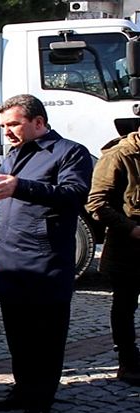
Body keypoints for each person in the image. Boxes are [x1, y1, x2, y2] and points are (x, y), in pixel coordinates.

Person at [0, 94, 92, 413]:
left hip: (45, 263)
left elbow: (74, 195)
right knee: (18, 337)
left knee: (46, 340)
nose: (6, 132)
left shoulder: (69, 152)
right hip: (10, 264)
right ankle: (22, 391)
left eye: (13, 124)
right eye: (3, 126)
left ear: (38, 122)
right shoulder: (11, 156)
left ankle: (40, 405)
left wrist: (20, 186)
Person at [85, 126, 140, 385]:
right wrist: (132, 229)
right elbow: (96, 203)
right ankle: (128, 362)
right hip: (128, 248)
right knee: (125, 305)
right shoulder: (119, 155)